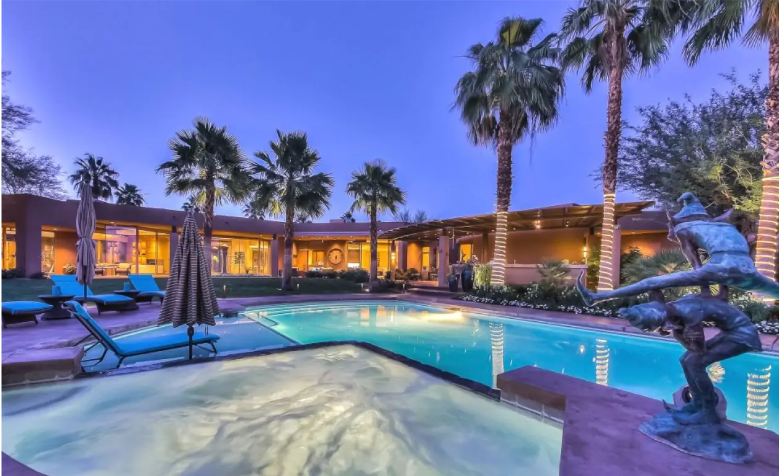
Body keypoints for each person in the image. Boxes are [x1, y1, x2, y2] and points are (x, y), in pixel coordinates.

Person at [578, 192, 779, 305]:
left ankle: (596, 297)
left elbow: (695, 263)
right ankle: (722, 295)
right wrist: (721, 293)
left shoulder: (684, 228)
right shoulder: (724, 226)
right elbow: (727, 261)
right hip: (747, 270)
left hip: (721, 268)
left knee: (652, 281)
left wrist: (706, 291)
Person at [619, 290, 762, 424]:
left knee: (695, 363)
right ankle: (697, 403)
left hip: (743, 335)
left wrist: (678, 335)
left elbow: (698, 349)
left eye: (661, 327)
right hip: (731, 332)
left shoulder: (689, 314)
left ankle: (708, 410)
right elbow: (655, 289)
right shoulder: (676, 307)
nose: (664, 329)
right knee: (685, 360)